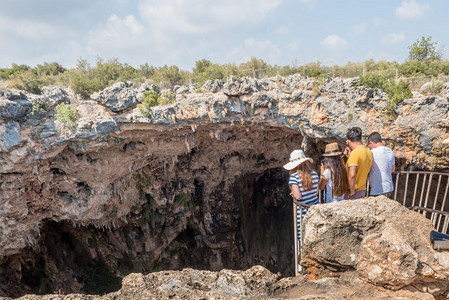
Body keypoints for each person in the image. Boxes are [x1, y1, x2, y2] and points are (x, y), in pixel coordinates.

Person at [283, 149, 319, 241]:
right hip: (315, 210)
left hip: (303, 213)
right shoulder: (314, 174)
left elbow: (298, 196)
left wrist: (293, 193)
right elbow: (316, 192)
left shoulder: (294, 177)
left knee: (304, 237)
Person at [343, 127, 373, 199]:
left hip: (354, 191)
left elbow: (352, 175)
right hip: (362, 190)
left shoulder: (355, 153)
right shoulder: (368, 151)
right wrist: (350, 157)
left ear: (349, 141)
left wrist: (352, 191)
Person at [367, 132, 395, 197]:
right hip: (389, 187)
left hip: (378, 189)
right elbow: (393, 169)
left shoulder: (373, 152)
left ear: (371, 143)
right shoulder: (390, 151)